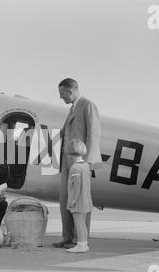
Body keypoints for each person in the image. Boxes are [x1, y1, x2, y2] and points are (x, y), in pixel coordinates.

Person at [52, 78, 101, 249]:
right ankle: (67, 237)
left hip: (79, 162)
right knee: (65, 199)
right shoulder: (74, 108)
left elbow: (93, 135)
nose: (61, 98)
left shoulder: (87, 105)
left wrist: (86, 163)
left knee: (79, 201)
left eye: (62, 94)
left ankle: (79, 240)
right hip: (67, 162)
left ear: (70, 92)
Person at [64, 139, 92, 253]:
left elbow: (76, 186)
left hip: (78, 201)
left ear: (70, 154)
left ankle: (80, 245)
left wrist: (72, 200)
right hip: (86, 200)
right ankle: (84, 243)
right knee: (83, 224)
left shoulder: (75, 168)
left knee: (78, 224)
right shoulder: (85, 165)